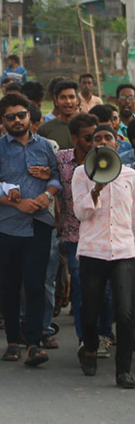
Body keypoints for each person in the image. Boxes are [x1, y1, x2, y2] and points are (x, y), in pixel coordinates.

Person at [0, 92, 60, 366]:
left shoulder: (46, 147)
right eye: (10, 117)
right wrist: (17, 204)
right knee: (10, 286)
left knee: (36, 285)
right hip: (7, 227)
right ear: (2, 121)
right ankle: (13, 342)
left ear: (30, 115)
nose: (17, 121)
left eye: (21, 115)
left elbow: (58, 178)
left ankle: (34, 344)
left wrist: (47, 195)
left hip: (39, 225)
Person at [73, 125, 135, 388]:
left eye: (108, 138)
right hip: (93, 251)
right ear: (92, 146)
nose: (102, 141)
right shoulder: (81, 174)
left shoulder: (130, 175)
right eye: (96, 139)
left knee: (125, 313)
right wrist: (96, 189)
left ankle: (123, 371)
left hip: (123, 251)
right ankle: (89, 348)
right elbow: (80, 213)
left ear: (117, 144)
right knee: (91, 310)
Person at [55, 113, 99, 350]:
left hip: (101, 234)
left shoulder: (105, 159)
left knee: (106, 290)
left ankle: (103, 334)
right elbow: (53, 185)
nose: (93, 142)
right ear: (74, 138)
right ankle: (85, 340)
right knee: (80, 286)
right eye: (88, 137)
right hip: (73, 234)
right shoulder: (61, 159)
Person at [37, 79, 79, 150]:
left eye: (71, 97)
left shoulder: (87, 126)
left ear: (77, 100)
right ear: (56, 101)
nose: (68, 101)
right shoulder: (44, 129)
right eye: (63, 97)